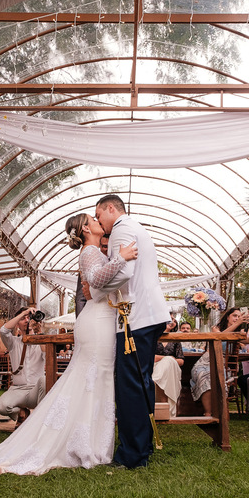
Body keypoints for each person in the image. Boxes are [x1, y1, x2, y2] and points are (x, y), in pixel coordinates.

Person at [0, 213, 137, 474]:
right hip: (96, 323)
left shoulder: (94, 251)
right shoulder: (90, 251)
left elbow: (96, 285)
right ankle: (85, 445)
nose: (97, 220)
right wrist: (121, 259)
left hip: (101, 320)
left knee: (95, 379)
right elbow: (96, 280)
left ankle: (88, 441)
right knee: (92, 378)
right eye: (92, 218)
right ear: (85, 229)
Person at [94, 194, 171, 469]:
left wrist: (96, 290)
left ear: (110, 208)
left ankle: (132, 455)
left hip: (135, 317)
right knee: (141, 382)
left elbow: (124, 272)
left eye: (99, 216)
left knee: (130, 385)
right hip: (148, 314)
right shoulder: (135, 227)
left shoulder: (121, 228)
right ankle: (142, 446)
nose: (99, 222)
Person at [189, 308, 249, 416]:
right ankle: (208, 413)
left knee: (213, 377)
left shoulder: (237, 334)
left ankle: (216, 412)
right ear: (228, 317)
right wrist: (238, 322)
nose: (237, 318)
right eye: (235, 316)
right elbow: (220, 337)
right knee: (203, 375)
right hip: (206, 361)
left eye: (239, 316)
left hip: (222, 364)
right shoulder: (216, 328)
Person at [0, 307, 48, 424]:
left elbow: (47, 357)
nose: (27, 320)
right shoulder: (13, 342)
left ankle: (38, 422)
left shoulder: (41, 341)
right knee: (2, 407)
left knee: (44, 380)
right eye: (23, 318)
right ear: (17, 324)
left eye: (29, 317)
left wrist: (39, 332)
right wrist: (24, 312)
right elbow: (3, 331)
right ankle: (21, 412)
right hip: (18, 390)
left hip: (35, 390)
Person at [152, 323, 185, 418]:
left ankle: (154, 380)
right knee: (166, 363)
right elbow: (149, 357)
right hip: (154, 366)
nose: (171, 322)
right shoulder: (153, 337)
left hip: (171, 368)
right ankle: (163, 408)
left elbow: (181, 360)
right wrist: (167, 358)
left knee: (168, 365)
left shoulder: (175, 340)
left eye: (173, 320)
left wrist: (169, 360)